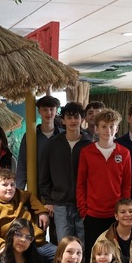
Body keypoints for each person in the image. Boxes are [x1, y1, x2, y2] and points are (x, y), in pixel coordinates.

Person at [77, 108, 132, 258]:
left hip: (115, 214)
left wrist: (123, 211)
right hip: (92, 213)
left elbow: (126, 185)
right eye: (104, 126)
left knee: (115, 254)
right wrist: (83, 211)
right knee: (93, 254)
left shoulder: (124, 153)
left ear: (117, 128)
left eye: (112, 126)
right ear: (97, 128)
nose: (108, 130)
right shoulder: (86, 152)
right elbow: (81, 183)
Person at [0, 168, 55, 263]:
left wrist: (42, 212)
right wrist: (2, 245)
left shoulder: (18, 195)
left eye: (12, 184)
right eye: (5, 185)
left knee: (62, 257)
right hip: (18, 249)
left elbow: (29, 195)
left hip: (39, 244)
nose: (10, 188)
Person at [39, 101, 93, 244]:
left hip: (84, 204)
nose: (73, 121)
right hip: (60, 204)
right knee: (64, 244)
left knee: (83, 243)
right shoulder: (53, 144)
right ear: (63, 120)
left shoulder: (89, 145)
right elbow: (44, 174)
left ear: (82, 119)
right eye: (69, 117)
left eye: (76, 117)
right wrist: (49, 200)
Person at [15, 95, 63, 190]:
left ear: (56, 111)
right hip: (36, 189)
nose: (48, 113)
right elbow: (22, 164)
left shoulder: (63, 136)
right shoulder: (30, 136)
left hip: (60, 191)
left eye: (51, 109)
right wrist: (19, 191)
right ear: (39, 111)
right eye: (45, 109)